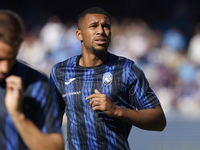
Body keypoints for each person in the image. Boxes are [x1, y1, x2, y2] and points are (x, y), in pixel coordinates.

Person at [50, 7, 166, 150]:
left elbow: (159, 121)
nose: (101, 31)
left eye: (106, 26)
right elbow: (53, 121)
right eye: (94, 26)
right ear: (79, 35)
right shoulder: (60, 71)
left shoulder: (126, 69)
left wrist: (117, 110)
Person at [0, 10, 64, 150]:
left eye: (12, 58)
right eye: (0, 59)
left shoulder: (37, 83)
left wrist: (18, 115)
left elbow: (56, 147)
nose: (5, 68)